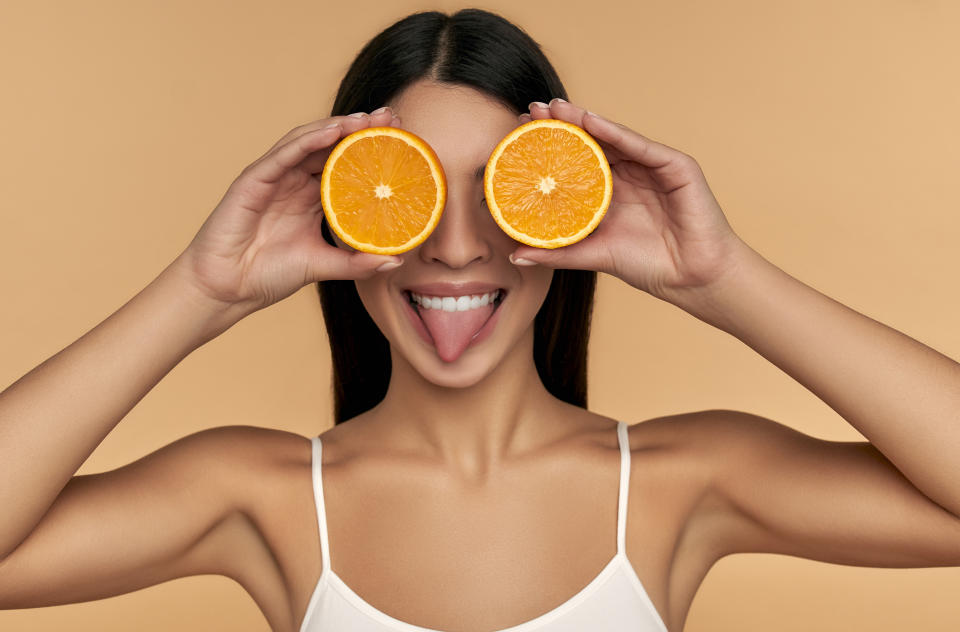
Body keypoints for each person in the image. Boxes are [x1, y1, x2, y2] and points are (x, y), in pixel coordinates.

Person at [1, 7, 958, 632]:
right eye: (409, 195)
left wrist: (724, 278)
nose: (456, 248)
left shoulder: (681, 483)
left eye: (500, 193)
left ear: (571, 209)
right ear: (342, 211)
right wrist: (199, 294)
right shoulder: (264, 495)